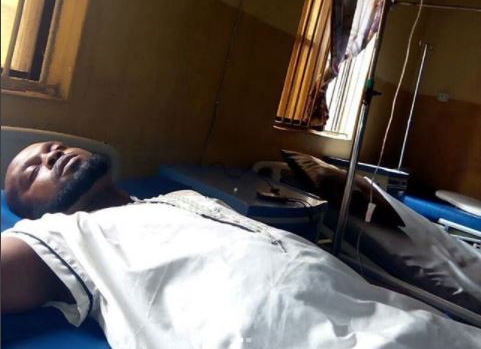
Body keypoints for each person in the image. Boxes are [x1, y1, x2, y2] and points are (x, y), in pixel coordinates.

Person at [1, 142, 480, 349]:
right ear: (32, 214)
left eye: (51, 147)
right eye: (32, 171)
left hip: (391, 317)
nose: (51, 155)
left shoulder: (180, 198)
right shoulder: (66, 235)